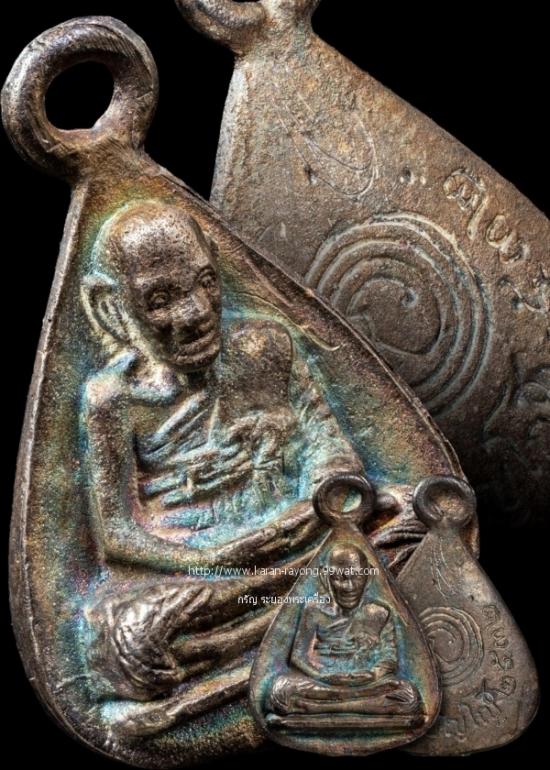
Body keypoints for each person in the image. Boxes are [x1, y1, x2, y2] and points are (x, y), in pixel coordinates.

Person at [267, 543, 420, 718]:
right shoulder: (314, 609)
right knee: (281, 690)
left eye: (357, 577)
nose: (349, 587)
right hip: (322, 682)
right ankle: (358, 707)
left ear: (369, 577)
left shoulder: (380, 613)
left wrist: (372, 675)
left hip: (367, 684)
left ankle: (315, 709)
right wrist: (322, 676)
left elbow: (388, 658)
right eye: (339, 577)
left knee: (407, 694)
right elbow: (297, 657)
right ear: (325, 577)